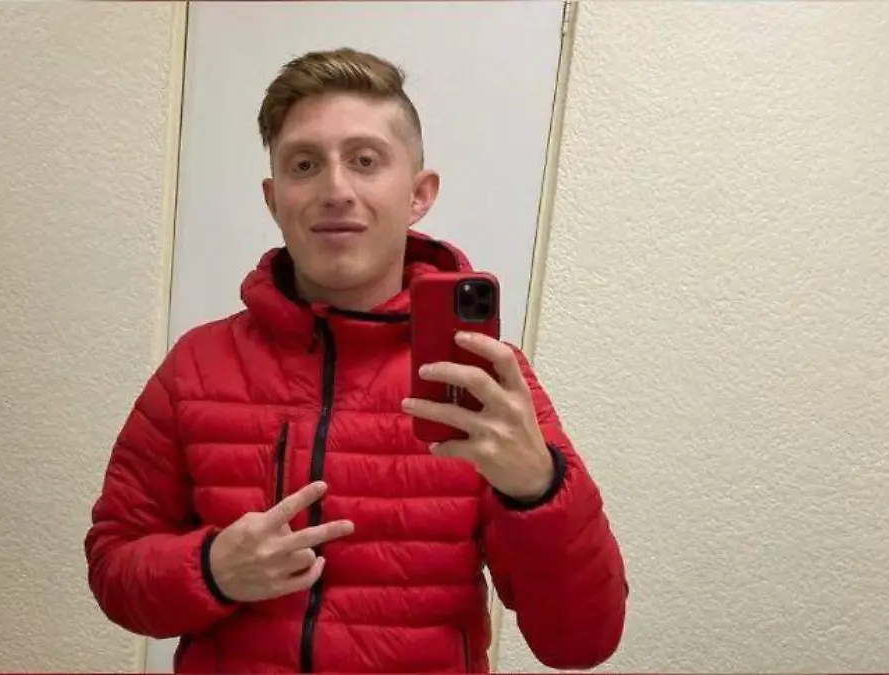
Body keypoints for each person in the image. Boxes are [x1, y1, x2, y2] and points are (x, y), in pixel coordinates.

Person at [85, 47, 628, 673]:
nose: (335, 189)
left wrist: (538, 488)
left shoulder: (483, 379)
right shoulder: (197, 368)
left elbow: (581, 642)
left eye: (365, 161)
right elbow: (114, 570)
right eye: (305, 164)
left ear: (419, 194)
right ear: (274, 199)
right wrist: (211, 570)